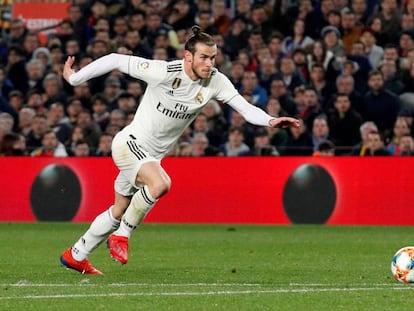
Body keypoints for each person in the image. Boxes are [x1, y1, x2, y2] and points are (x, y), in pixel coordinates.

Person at [59, 25, 300, 275]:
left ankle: (76, 255)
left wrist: (270, 120)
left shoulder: (216, 81)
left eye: (213, 57)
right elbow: (116, 59)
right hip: (129, 144)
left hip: (149, 157)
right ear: (188, 56)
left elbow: (245, 108)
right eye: (204, 57)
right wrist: (76, 78)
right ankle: (122, 236)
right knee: (161, 184)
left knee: (119, 209)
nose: (209, 63)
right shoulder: (163, 71)